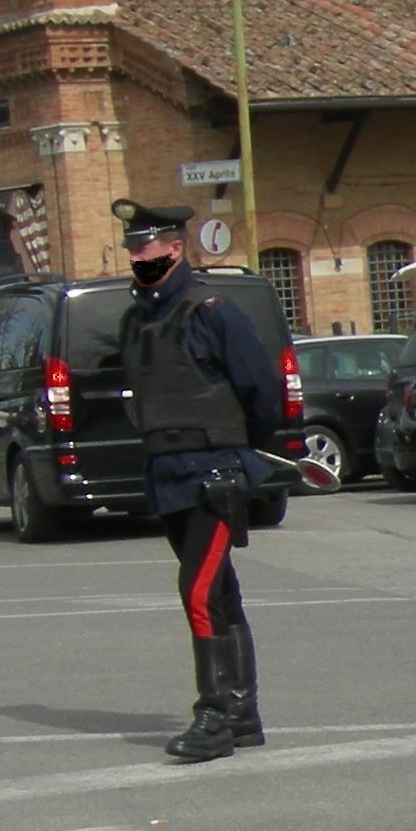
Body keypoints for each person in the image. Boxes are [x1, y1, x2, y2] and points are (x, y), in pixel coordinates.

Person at [113, 198, 284, 763]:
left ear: (175, 247)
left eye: (147, 246)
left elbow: (261, 389)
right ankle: (242, 714)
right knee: (220, 593)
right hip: (166, 471)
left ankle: (213, 716)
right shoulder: (136, 319)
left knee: (199, 591)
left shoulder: (212, 311)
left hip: (213, 471)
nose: (139, 256)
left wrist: (241, 453)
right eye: (132, 247)